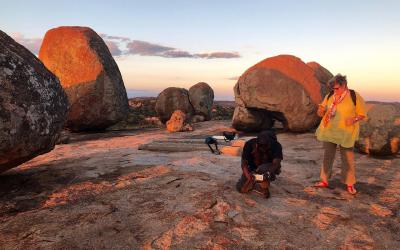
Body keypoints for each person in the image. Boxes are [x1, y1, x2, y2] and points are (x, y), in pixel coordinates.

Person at [314, 74, 366, 194]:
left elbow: (362, 114)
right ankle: (324, 180)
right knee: (327, 156)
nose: (335, 91)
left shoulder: (354, 96)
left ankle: (350, 184)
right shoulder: (330, 96)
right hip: (330, 131)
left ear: (344, 85)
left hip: (346, 133)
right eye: (333, 89)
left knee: (348, 158)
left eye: (337, 88)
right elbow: (321, 111)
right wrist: (320, 111)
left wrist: (353, 119)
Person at [236, 130, 283, 198]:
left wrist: (268, 174)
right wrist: (247, 174)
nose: (264, 149)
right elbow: (244, 163)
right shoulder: (249, 144)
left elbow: (276, 164)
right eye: (262, 146)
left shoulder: (276, 146)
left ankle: (265, 186)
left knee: (262, 169)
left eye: (267, 146)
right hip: (252, 168)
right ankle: (255, 179)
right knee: (241, 188)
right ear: (257, 144)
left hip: (268, 168)